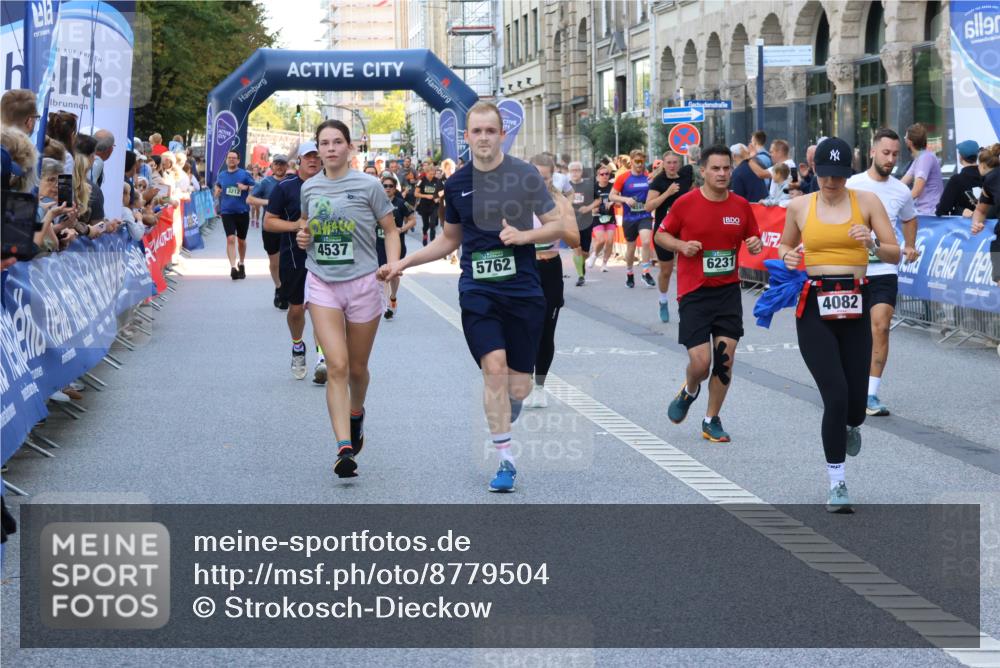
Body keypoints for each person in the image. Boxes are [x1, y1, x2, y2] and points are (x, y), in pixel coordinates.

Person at [378, 101, 566, 493]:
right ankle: (505, 460)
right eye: (476, 131)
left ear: (501, 134)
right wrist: (405, 263)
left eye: (490, 131)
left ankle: (510, 405)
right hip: (478, 290)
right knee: (493, 368)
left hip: (524, 291)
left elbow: (556, 226)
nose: (483, 137)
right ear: (466, 137)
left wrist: (524, 236)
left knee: (519, 387)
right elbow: (450, 238)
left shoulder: (524, 175)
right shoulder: (457, 182)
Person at [777, 136, 900, 513]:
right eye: (826, 176)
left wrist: (874, 244)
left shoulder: (866, 201)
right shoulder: (799, 206)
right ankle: (837, 482)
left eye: (839, 176)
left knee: (855, 405)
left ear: (848, 174)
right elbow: (783, 248)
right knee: (834, 394)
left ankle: (852, 423)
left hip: (855, 303)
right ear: (815, 171)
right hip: (815, 305)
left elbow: (896, 251)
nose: (832, 183)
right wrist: (790, 258)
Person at [296, 120, 400, 479]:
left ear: (349, 147)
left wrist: (393, 265)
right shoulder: (309, 187)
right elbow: (305, 225)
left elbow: (389, 230)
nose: (330, 149)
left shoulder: (369, 185)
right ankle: (343, 448)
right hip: (322, 282)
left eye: (337, 142)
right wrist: (303, 238)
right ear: (318, 149)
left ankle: (356, 414)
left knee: (357, 369)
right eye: (324, 143)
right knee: (337, 366)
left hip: (362, 283)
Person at [654, 145, 763, 443]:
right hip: (694, 292)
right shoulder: (685, 204)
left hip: (727, 292)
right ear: (702, 171)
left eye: (727, 168)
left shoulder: (740, 205)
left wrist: (755, 245)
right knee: (701, 364)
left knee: (724, 360)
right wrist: (680, 246)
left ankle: (711, 419)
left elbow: (754, 237)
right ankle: (690, 389)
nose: (722, 174)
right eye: (715, 168)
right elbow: (661, 234)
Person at [845, 128, 919, 417]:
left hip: (885, 267)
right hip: (853, 268)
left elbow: (910, 218)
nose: (890, 159)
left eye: (895, 154)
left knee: (881, 326)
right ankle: (848, 384)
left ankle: (871, 394)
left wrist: (909, 245)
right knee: (852, 332)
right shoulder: (852, 184)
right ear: (872, 152)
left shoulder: (900, 190)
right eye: (885, 153)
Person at [264, 141, 329, 382]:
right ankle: (297, 345)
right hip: (294, 257)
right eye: (308, 156)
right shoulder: (285, 187)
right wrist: (295, 226)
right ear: (299, 161)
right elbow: (269, 222)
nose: (313, 160)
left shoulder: (331, 184)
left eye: (316, 156)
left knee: (322, 309)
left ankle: (322, 358)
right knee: (297, 309)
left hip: (324, 256)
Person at [525, 153, 580, 408]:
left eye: (544, 178)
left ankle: (539, 386)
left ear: (552, 178)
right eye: (534, 176)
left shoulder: (561, 203)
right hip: (524, 267)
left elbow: (575, 241)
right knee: (521, 327)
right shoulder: (517, 200)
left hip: (549, 268)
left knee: (546, 331)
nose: (539, 182)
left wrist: (557, 228)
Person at [647, 151, 694, 322]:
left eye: (675, 162)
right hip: (664, 232)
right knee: (666, 271)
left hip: (684, 231)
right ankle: (663, 301)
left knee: (685, 270)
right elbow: (648, 206)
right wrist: (667, 193)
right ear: (663, 164)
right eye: (669, 162)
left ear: (679, 164)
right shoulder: (658, 182)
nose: (672, 165)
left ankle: (685, 305)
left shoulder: (686, 175)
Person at [248, 154, 291, 308]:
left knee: (288, 261)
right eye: (277, 164)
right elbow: (250, 199)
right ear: (272, 166)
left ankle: (286, 289)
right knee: (275, 262)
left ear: (287, 166)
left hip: (288, 226)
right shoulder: (265, 182)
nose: (279, 167)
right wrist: (269, 202)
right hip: (270, 227)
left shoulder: (291, 182)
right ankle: (279, 286)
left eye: (282, 164)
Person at [610, 149, 656, 288]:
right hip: (629, 218)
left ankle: (646, 272)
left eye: (642, 162)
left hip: (644, 215)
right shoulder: (623, 177)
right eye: (637, 161)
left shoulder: (648, 177)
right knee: (631, 247)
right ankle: (629, 273)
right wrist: (625, 199)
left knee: (647, 241)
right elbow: (612, 196)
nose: (640, 164)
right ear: (631, 161)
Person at [214, 149, 256, 280]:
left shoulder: (244, 174)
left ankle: (241, 263)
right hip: (227, 212)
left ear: (238, 160)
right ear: (226, 160)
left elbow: (256, 187)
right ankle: (233, 267)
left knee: (241, 241)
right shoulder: (222, 175)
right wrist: (217, 191)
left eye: (234, 158)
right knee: (230, 239)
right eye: (229, 158)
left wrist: (246, 188)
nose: (231, 160)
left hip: (242, 212)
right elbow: (218, 186)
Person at [378, 175, 416, 319]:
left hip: (396, 244)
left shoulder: (401, 203)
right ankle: (386, 304)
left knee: (393, 273)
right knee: (383, 274)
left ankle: (393, 297)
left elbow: (412, 220)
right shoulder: (376, 203)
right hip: (379, 243)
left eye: (390, 186)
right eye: (384, 186)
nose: (387, 188)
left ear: (395, 189)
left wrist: (402, 229)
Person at [970, 144, 1000, 286]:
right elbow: (981, 210)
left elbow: (980, 211)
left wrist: (976, 223)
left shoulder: (989, 179)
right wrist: (976, 223)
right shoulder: (989, 182)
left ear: (981, 166)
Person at [901, 123, 944, 215]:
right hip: (922, 211)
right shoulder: (920, 157)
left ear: (910, 142)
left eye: (905, 137)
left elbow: (916, 191)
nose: (904, 139)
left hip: (928, 212)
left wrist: (897, 203)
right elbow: (903, 182)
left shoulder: (925, 158)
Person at [936, 140, 983, 217]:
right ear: (977, 156)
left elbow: (942, 210)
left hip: (963, 228)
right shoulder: (988, 177)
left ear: (960, 157)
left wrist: (958, 210)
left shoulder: (956, 180)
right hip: (988, 226)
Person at [568, 161, 595, 286]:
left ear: (581, 171)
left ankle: (581, 265)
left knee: (585, 252)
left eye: (577, 170)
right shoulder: (566, 187)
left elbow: (599, 200)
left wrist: (588, 208)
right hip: (572, 223)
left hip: (586, 221)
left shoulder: (589, 185)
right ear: (569, 172)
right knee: (576, 249)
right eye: (572, 170)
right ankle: (580, 275)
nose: (575, 173)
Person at [587, 163, 616, 272]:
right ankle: (594, 255)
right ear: (598, 176)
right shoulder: (593, 187)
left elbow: (617, 198)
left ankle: (604, 263)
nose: (604, 176)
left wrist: (612, 202)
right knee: (601, 239)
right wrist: (592, 208)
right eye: (602, 174)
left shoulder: (612, 187)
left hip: (610, 216)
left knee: (609, 240)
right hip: (597, 216)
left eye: (607, 174)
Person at [414, 160, 444, 246]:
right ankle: (425, 234)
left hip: (434, 205)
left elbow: (442, 191)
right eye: (430, 174)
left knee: (433, 223)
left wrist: (438, 198)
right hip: (424, 205)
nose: (432, 175)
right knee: (426, 225)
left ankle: (433, 241)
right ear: (426, 173)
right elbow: (416, 194)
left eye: (433, 173)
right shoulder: (421, 181)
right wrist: (426, 196)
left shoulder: (438, 181)